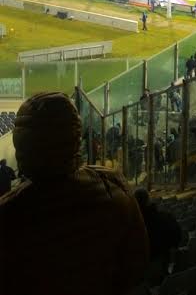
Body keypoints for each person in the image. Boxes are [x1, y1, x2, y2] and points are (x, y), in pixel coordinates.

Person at [0, 93, 149, 295]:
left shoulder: (8, 214)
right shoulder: (113, 185)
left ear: (23, 147)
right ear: (75, 138)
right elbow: (136, 267)